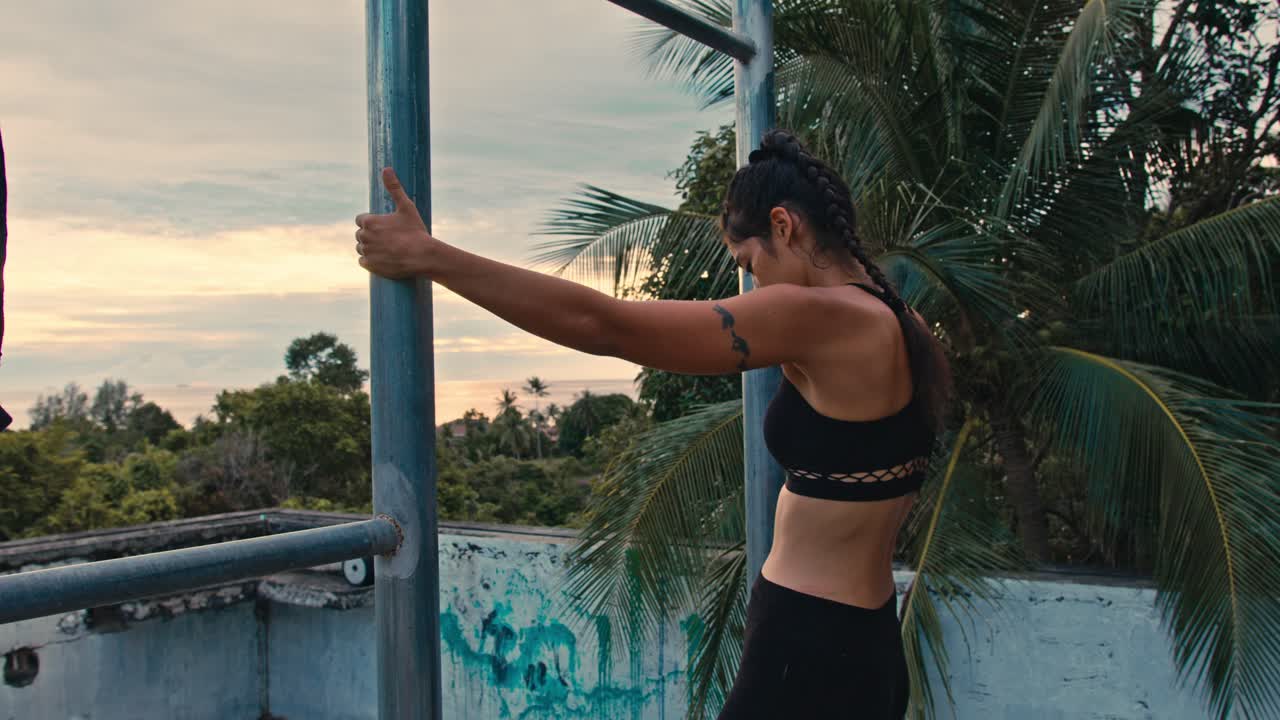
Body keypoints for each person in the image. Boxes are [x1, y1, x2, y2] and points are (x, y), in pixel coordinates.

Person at [354, 129, 952, 719]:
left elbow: (606, 325)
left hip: (807, 651)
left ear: (783, 226)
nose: (753, 285)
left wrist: (429, 256)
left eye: (748, 264)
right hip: (869, 641)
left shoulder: (818, 315)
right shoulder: (907, 324)